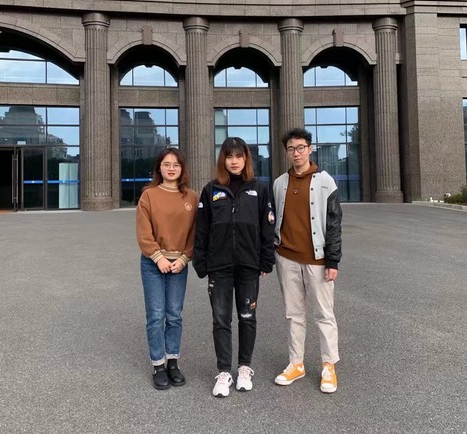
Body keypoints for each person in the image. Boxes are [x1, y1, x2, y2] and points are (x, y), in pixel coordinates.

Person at [193, 137, 276, 397]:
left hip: (248, 265)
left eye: (239, 156)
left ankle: (244, 368)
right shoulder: (211, 190)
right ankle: (224, 372)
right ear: (223, 160)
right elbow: (201, 229)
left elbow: (267, 227)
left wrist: (266, 260)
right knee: (221, 319)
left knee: (247, 317)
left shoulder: (259, 189)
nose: (234, 161)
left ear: (246, 159)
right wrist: (201, 262)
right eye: (229, 156)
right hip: (219, 267)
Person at [273, 128, 342, 393]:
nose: (296, 153)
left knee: (324, 314)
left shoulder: (326, 182)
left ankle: (329, 365)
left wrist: (333, 260)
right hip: (287, 258)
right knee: (293, 314)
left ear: (310, 149)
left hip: (318, 261)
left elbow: (334, 223)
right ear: (286, 153)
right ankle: (296, 364)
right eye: (291, 149)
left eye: (301, 147)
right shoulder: (279, 183)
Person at [136, 147, 198, 390]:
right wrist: (158, 257)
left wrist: (184, 258)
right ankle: (158, 365)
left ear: (182, 168)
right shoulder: (149, 195)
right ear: (159, 168)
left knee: (174, 315)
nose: (171, 168)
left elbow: (195, 233)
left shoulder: (191, 197)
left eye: (176, 164)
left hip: (179, 264)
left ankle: (173, 362)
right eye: (166, 164)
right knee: (156, 315)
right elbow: (144, 233)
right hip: (153, 263)